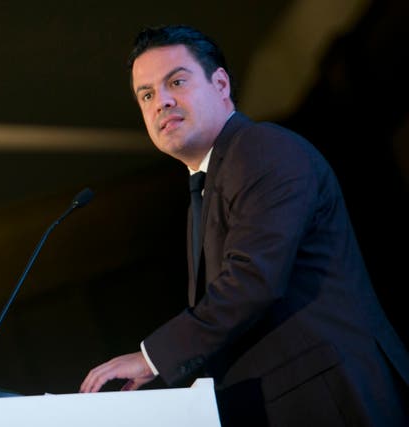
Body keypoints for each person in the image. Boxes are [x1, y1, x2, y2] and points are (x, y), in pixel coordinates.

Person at [79, 24, 409, 426]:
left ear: (220, 84)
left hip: (337, 399)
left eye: (176, 82)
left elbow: (253, 279)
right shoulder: (208, 185)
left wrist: (152, 357)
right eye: (146, 95)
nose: (161, 101)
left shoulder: (260, 149)